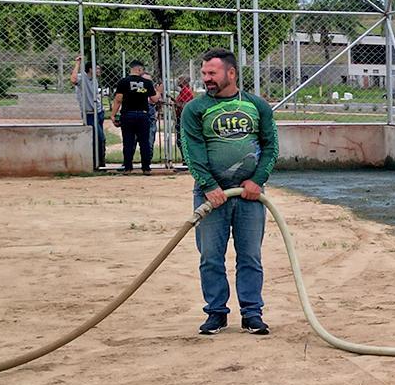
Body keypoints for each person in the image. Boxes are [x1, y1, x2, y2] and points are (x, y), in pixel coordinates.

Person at [180, 48, 278, 336]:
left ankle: (252, 313)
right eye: (204, 73)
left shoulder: (257, 106)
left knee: (250, 256)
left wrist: (257, 180)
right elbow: (191, 151)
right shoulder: (195, 109)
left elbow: (271, 146)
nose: (206, 78)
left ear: (231, 73)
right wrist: (209, 186)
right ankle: (216, 313)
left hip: (250, 195)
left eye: (212, 73)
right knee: (211, 257)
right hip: (211, 197)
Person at [112, 61, 158, 174]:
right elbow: (154, 99)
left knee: (128, 141)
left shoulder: (123, 82)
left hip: (128, 114)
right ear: (139, 69)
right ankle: (146, 168)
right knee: (144, 142)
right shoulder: (147, 82)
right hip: (143, 114)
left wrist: (113, 114)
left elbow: (118, 99)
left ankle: (128, 167)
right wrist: (159, 91)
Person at [71, 57, 104, 169]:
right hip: (89, 113)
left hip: (99, 112)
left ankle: (101, 163)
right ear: (90, 69)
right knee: (98, 138)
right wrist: (78, 63)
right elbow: (73, 80)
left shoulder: (94, 79)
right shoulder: (82, 78)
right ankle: (96, 164)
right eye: (97, 68)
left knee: (100, 139)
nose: (99, 70)